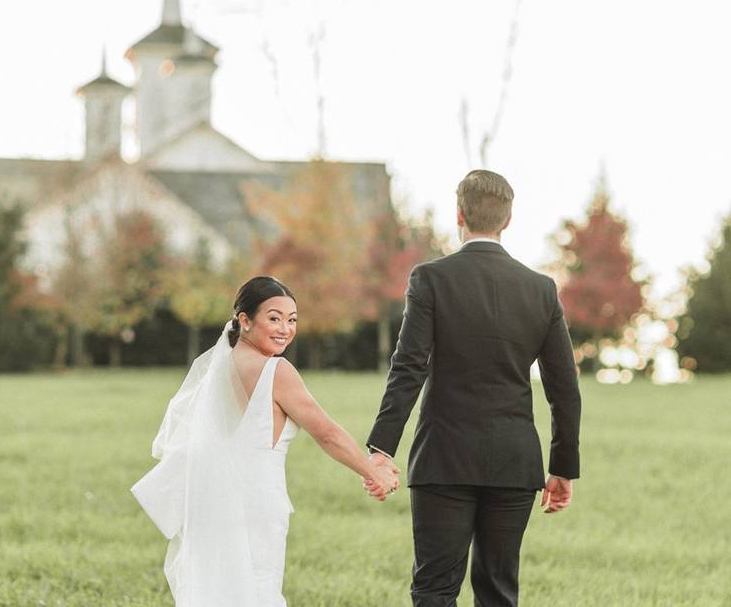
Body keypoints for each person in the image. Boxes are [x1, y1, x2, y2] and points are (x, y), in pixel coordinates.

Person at [365, 170, 582, 606]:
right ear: (509, 220)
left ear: (458, 215)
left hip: (443, 458)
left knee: (434, 590)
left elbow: (408, 368)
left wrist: (381, 448)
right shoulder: (541, 289)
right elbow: (565, 388)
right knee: (499, 593)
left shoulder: (430, 279)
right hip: (515, 462)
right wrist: (563, 465)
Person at [132, 275, 400, 607]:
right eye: (274, 318)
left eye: (292, 320)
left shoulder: (220, 369)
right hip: (254, 505)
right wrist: (373, 472)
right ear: (244, 321)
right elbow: (326, 433)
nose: (285, 329)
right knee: (257, 593)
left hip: (213, 502)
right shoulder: (277, 371)